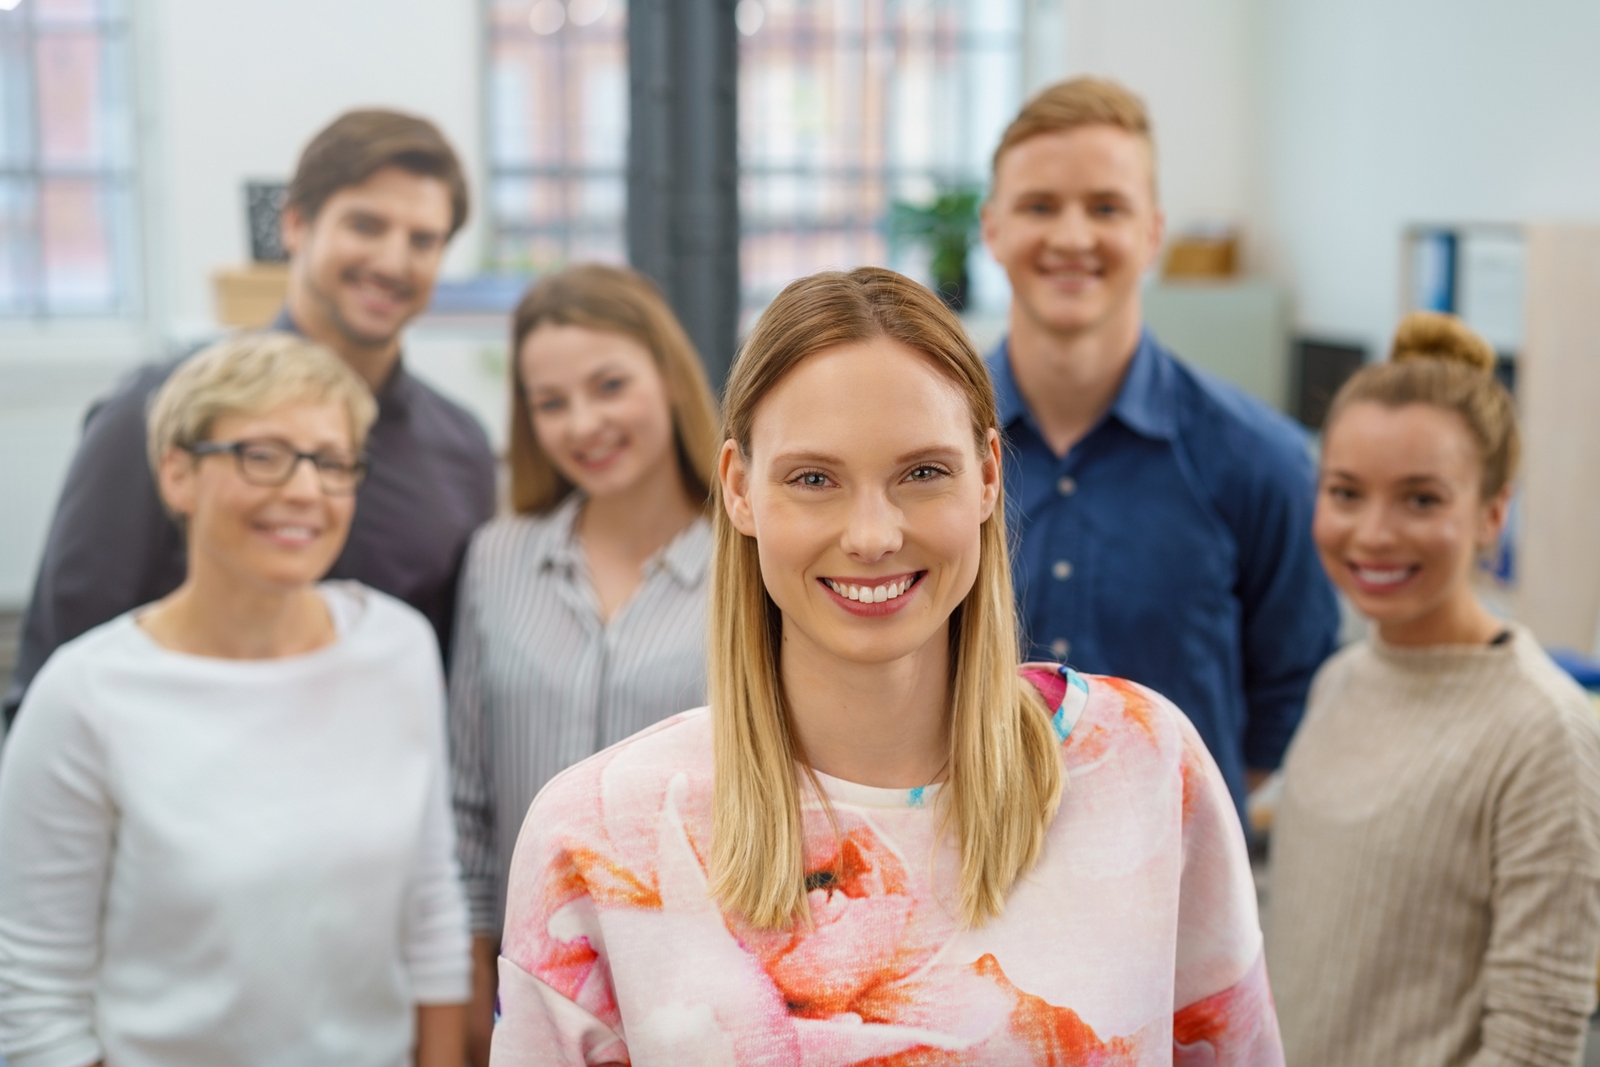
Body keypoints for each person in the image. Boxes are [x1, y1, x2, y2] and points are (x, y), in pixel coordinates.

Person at [486, 267, 1280, 1065]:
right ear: (739, 488)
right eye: (814, 479)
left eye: (922, 472)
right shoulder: (592, 838)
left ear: (988, 475)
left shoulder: (1147, 766)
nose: (872, 535)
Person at [0, 333, 471, 1067]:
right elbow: (33, 996)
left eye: (332, 461)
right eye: (263, 454)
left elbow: (432, 908)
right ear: (178, 474)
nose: (306, 490)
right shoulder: (85, 695)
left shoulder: (397, 649)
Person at [4, 108, 496, 724]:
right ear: (295, 224)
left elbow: (452, 683)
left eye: (423, 241)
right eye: (365, 225)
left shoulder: (460, 449)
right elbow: (56, 670)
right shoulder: (164, 410)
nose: (394, 262)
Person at [979, 77, 1339, 817]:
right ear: (993, 229)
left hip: (1176, 876)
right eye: (1039, 206)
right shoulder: (926, 455)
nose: (1072, 237)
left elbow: (1289, 694)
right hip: (971, 869)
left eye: (1106, 208)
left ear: (1152, 233)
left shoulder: (1260, 462)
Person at [1265, 312, 1600, 1067]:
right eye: (1346, 492)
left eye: (1421, 500)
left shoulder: (1542, 728)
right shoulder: (1340, 678)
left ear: (1492, 513)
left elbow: (1534, 1045)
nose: (1373, 533)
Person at [448, 264, 720, 1066]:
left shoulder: (750, 564)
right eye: (551, 402)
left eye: (609, 385)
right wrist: (473, 980)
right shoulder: (496, 559)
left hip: (698, 979)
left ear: (668, 376)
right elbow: (468, 794)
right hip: (527, 985)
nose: (584, 423)